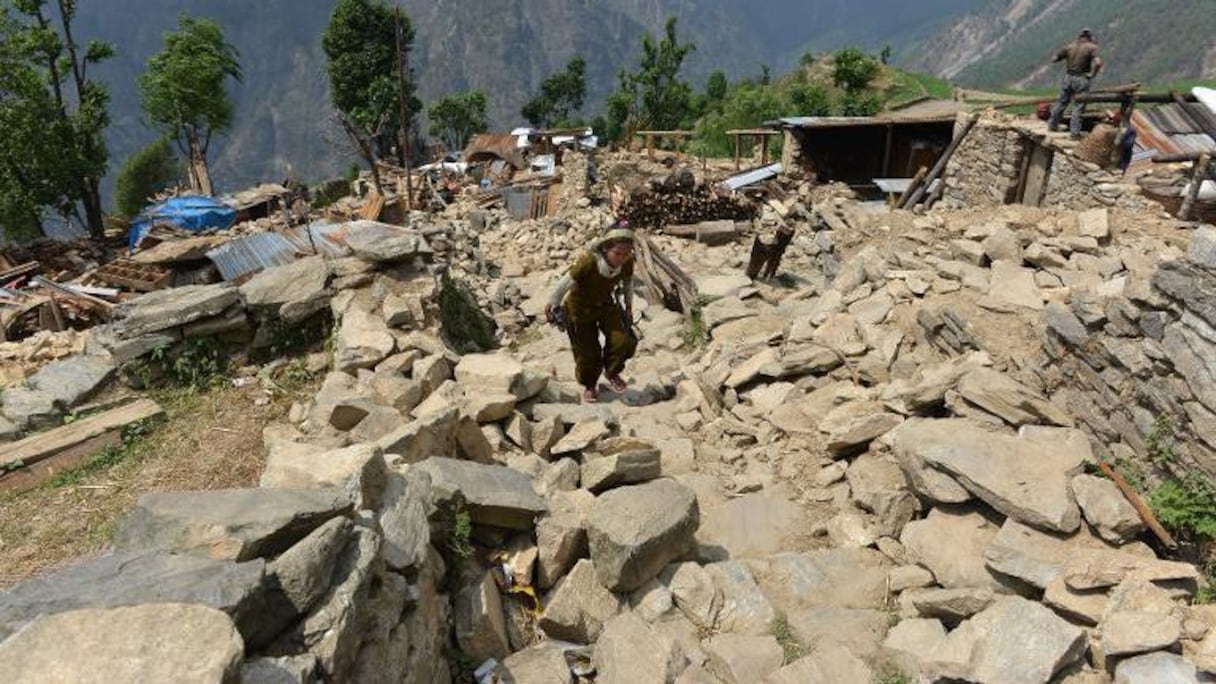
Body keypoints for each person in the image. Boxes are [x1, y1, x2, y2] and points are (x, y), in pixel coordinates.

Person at [546, 225, 637, 403]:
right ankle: (590, 384)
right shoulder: (588, 262)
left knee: (623, 340)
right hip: (579, 311)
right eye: (617, 253)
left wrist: (628, 306)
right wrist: (553, 304)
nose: (621, 258)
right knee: (587, 353)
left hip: (605, 306)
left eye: (626, 254)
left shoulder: (627, 262)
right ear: (605, 248)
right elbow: (565, 283)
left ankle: (611, 372)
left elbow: (628, 283)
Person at [1048, 28, 1104, 139]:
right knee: (1079, 106)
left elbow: (1054, 59)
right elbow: (1098, 63)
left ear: (1079, 37)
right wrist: (1093, 74)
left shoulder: (1070, 46)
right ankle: (1074, 133)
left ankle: (1052, 125)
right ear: (1090, 37)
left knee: (1062, 102)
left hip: (1068, 77)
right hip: (1081, 78)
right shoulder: (1092, 48)